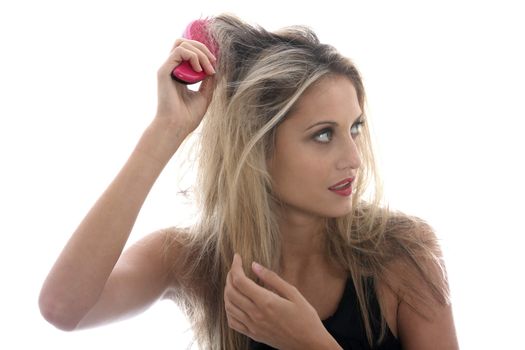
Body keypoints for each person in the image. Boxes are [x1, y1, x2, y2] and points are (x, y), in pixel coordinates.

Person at [39, 14, 458, 350]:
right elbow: (63, 308)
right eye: (323, 135)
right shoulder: (194, 261)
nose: (353, 159)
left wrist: (310, 345)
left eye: (355, 128)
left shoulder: (402, 253)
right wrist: (165, 129)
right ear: (255, 148)